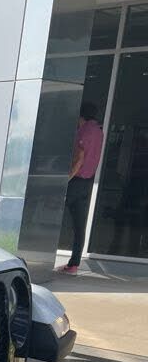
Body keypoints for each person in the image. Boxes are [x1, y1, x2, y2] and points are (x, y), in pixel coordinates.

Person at [59, 101, 104, 274]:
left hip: (76, 181)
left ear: (81, 115)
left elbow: (79, 158)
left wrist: (67, 179)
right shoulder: (99, 131)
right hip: (87, 182)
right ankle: (74, 264)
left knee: (51, 215)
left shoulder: (84, 130)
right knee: (79, 225)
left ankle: (37, 257)